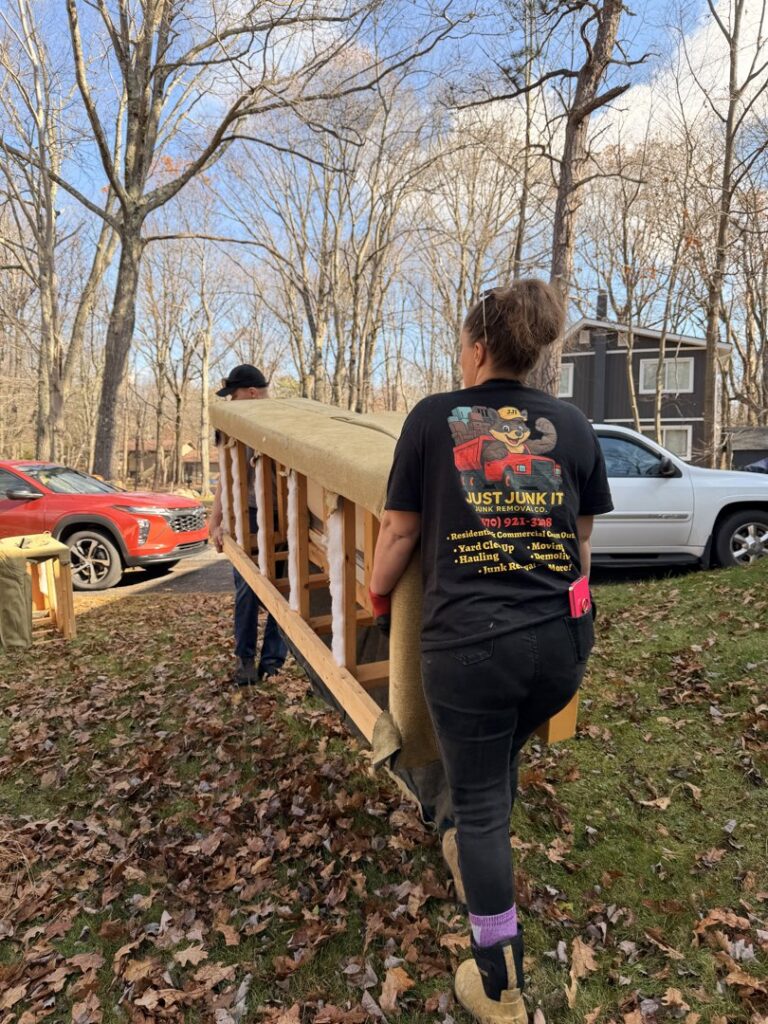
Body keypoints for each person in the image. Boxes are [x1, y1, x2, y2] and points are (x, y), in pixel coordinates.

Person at [369, 281, 613, 1024]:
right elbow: (582, 549)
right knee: (499, 759)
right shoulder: (570, 424)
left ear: (476, 348)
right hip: (560, 647)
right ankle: (477, 843)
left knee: (476, 808)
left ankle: (501, 986)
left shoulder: (433, 418)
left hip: (472, 649)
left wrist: (378, 598)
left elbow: (399, 535)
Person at [209, 364, 288, 686]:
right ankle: (245, 660)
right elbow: (225, 479)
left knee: (283, 594)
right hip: (249, 517)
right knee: (247, 589)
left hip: (284, 518)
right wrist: (214, 521)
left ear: (252, 394)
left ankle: (273, 663)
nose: (230, 403)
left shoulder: (285, 424)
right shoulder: (232, 429)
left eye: (233, 396)